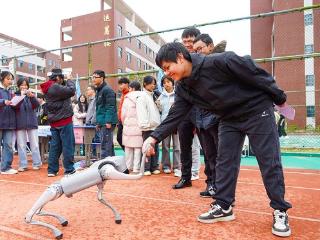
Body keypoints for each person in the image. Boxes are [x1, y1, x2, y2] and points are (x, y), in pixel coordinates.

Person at [143, 42, 292, 237]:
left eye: (167, 67)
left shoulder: (221, 61)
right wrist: (154, 137)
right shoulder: (183, 89)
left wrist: (280, 99)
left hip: (257, 110)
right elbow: (176, 114)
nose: (166, 73)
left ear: (180, 58)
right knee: (224, 161)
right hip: (228, 118)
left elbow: (256, 73)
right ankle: (224, 205)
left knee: (268, 160)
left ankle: (280, 210)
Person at [192, 33, 227, 198]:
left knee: (222, 157)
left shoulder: (221, 62)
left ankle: (223, 190)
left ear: (210, 46)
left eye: (201, 48)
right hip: (201, 120)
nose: (198, 52)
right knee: (209, 155)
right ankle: (211, 185)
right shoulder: (195, 67)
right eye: (195, 50)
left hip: (217, 119)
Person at [172, 27, 202, 189]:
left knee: (209, 147)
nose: (188, 44)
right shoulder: (179, 61)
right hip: (184, 112)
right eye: (185, 42)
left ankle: (212, 181)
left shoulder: (203, 59)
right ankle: (185, 177)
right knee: (184, 146)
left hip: (201, 110)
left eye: (191, 41)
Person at [40, 68, 76, 177]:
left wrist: (65, 81)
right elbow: (71, 91)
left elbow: (65, 90)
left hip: (55, 121)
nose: (62, 80)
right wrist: (70, 80)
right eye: (61, 78)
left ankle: (52, 170)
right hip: (64, 120)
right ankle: (69, 169)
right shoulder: (55, 87)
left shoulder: (49, 87)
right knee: (68, 145)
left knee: (55, 146)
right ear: (57, 78)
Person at [15, 79, 42, 171]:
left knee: (34, 144)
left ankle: (37, 163)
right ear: (18, 86)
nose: (24, 87)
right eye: (22, 85)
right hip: (19, 123)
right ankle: (23, 165)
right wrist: (20, 97)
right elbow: (14, 107)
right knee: (21, 145)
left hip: (32, 123)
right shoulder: (15, 96)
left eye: (26, 85)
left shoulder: (31, 95)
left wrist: (32, 97)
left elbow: (37, 105)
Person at [136, 76, 161, 176]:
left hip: (155, 126)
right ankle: (146, 168)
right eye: (151, 83)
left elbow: (158, 110)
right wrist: (145, 124)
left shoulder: (153, 95)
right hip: (147, 127)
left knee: (155, 148)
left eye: (154, 83)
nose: (153, 85)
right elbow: (141, 112)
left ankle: (154, 167)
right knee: (147, 148)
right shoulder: (142, 96)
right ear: (145, 84)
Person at [157, 76, 181, 177]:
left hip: (176, 124)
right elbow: (159, 111)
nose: (166, 84)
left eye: (168, 82)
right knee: (165, 146)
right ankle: (166, 166)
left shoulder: (178, 95)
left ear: (172, 83)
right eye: (164, 82)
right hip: (165, 124)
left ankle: (177, 167)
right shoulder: (160, 97)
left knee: (177, 146)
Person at [92, 70, 118, 158]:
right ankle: (111, 164)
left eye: (95, 77)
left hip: (107, 122)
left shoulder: (107, 90)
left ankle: (106, 165)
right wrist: (98, 123)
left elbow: (110, 106)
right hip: (102, 121)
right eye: (93, 77)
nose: (93, 79)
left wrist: (108, 121)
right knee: (108, 145)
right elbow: (100, 108)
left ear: (102, 78)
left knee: (105, 145)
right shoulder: (99, 90)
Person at [121, 81, 143, 173]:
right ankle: (136, 168)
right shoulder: (143, 97)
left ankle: (128, 166)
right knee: (138, 148)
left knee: (128, 148)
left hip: (128, 126)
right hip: (139, 125)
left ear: (132, 88)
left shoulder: (127, 98)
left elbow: (123, 114)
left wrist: (124, 122)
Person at [0, 71, 17, 174]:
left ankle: (6, 167)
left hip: (10, 123)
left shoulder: (11, 91)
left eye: (11, 79)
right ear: (2, 78)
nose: (10, 81)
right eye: (8, 79)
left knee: (9, 145)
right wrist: (3, 102)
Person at [117, 77, 130, 150]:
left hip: (127, 120)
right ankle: (128, 153)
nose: (120, 86)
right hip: (121, 120)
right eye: (119, 84)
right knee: (119, 138)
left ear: (127, 84)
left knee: (126, 139)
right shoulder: (122, 94)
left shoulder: (130, 94)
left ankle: (130, 154)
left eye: (122, 84)